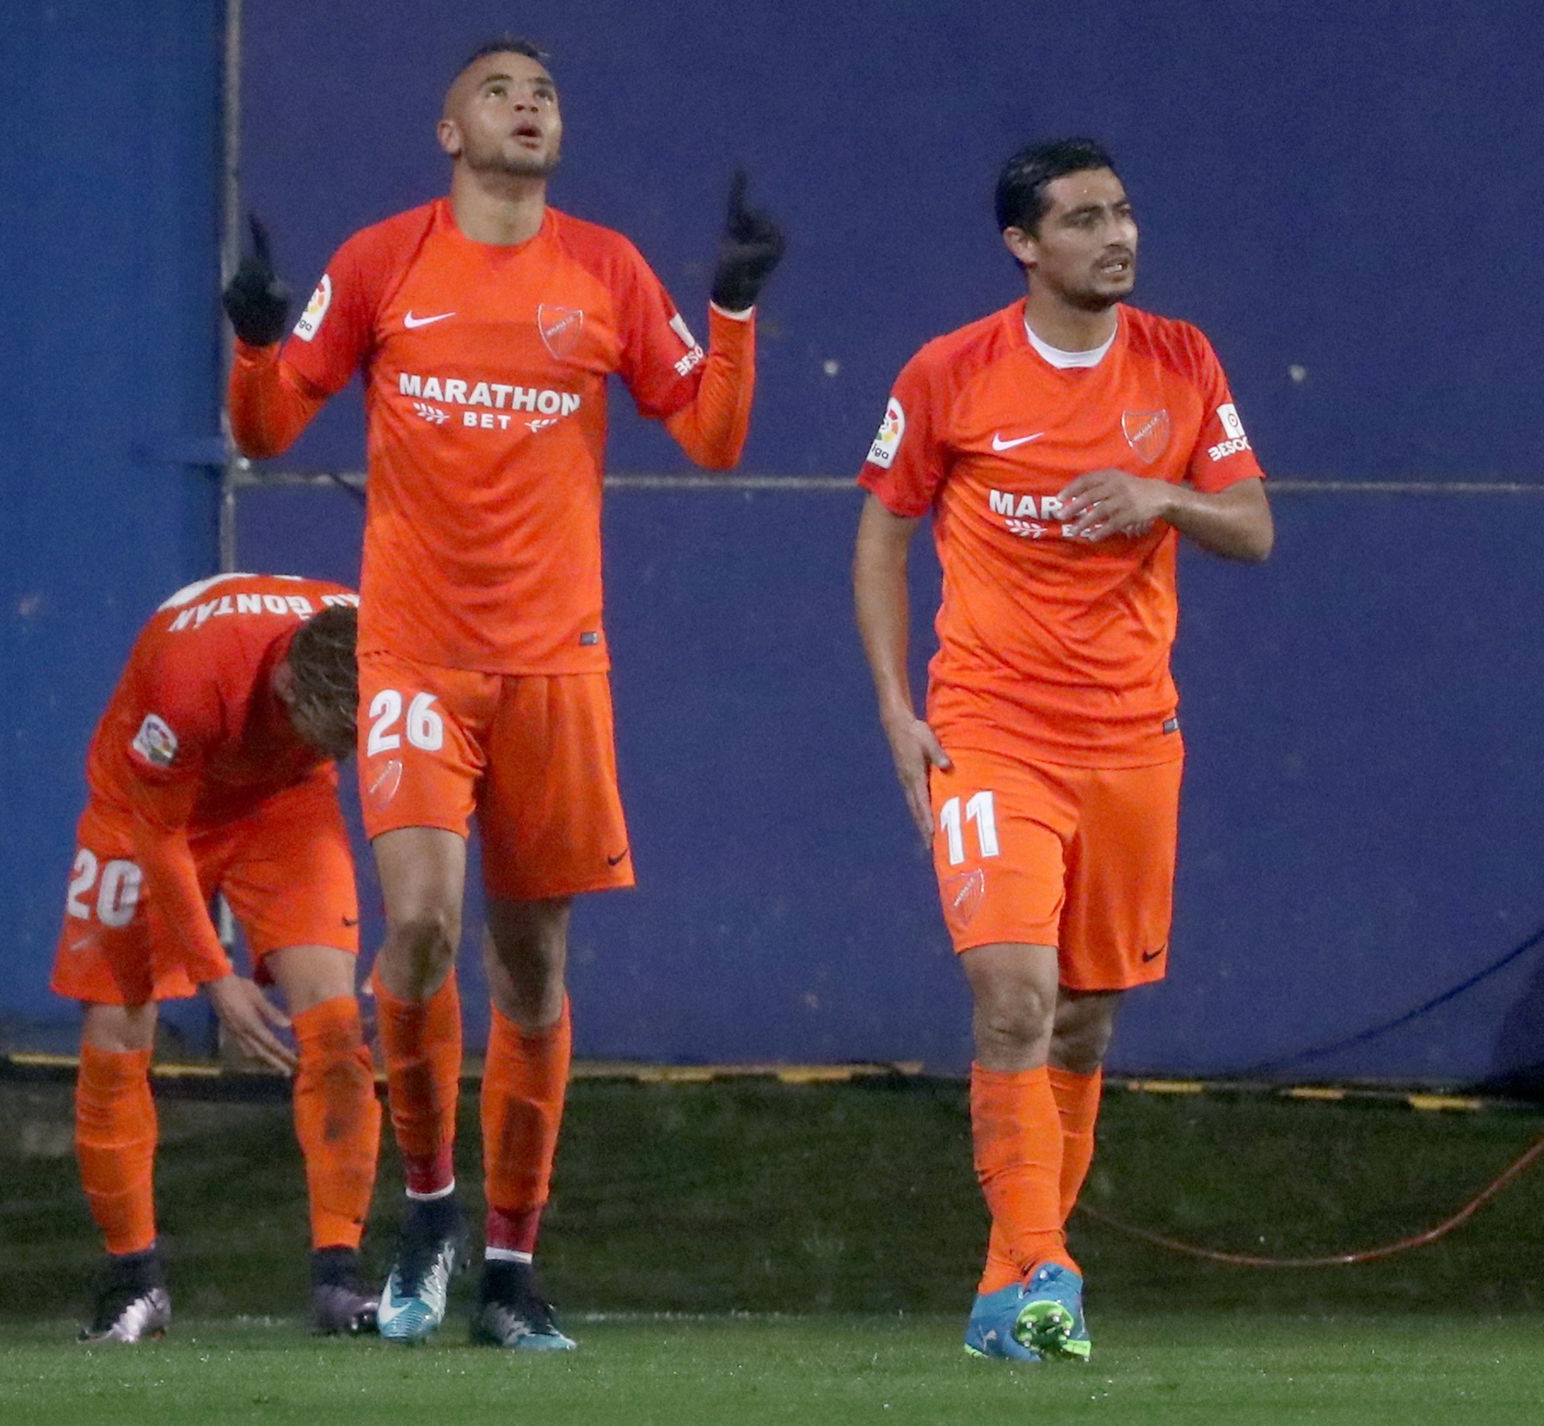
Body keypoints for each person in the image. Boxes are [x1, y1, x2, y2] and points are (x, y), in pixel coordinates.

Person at [222, 36, 784, 1349]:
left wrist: (739, 315)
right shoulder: (381, 261)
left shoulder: (607, 270)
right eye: (500, 90)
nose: (528, 105)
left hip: (555, 667)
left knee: (532, 964)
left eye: (543, 92)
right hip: (414, 655)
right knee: (415, 928)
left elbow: (710, 436)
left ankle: (513, 1265)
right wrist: (256, 342)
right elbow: (267, 427)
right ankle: (428, 1205)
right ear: (446, 128)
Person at [852, 138, 1272, 1363]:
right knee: (1012, 994)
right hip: (989, 727)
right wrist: (894, 708)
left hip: (1134, 741)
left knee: (1083, 1026)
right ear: (1023, 246)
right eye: (1084, 219)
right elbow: (881, 535)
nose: (1117, 235)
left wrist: (1164, 498)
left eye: (1124, 211)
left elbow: (1250, 524)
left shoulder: (1182, 361)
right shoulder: (951, 372)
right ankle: (1049, 1270)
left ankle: (1007, 1290)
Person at [51, 574, 381, 1343]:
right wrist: (215, 976)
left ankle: (340, 1280)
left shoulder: (375, 635)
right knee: (115, 1034)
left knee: (336, 1028)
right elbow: (159, 838)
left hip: (282, 804)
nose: (339, 750)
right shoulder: (192, 677)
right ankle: (132, 1282)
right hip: (147, 813)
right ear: (287, 678)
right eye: (327, 731)